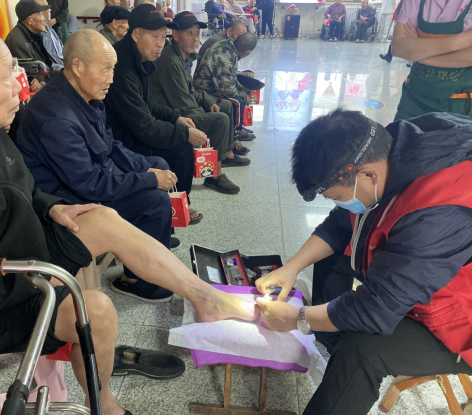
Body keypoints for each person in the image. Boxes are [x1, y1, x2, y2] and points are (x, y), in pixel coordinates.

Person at [0, 15, 260, 416]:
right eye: (5, 77)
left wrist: (51, 206)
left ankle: (205, 297)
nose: (19, 87)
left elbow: (22, 189)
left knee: (100, 218)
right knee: (96, 311)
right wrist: (35, 277)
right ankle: (105, 402)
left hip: (22, 251)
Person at [254, 109, 472, 415]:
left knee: (361, 352)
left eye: (336, 196)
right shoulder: (386, 149)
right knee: (335, 254)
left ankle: (339, 347)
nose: (338, 203)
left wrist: (297, 318)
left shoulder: (436, 213)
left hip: (459, 322)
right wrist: (291, 268)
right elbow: (341, 225)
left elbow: (377, 310)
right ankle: (331, 335)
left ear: (368, 175)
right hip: (424, 275)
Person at [18, 30, 182, 302]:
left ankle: (150, 243)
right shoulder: (57, 118)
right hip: (66, 200)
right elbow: (90, 184)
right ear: (77, 66)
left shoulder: (86, 95)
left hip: (92, 176)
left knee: (158, 163)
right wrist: (150, 180)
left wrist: (147, 169)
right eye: (105, 69)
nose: (111, 79)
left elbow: (110, 145)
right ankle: (139, 281)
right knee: (154, 200)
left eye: (113, 69)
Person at [105, 4, 207, 224]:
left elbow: (149, 103)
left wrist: (175, 117)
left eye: (163, 37)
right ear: (136, 34)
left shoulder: (139, 59)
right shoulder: (121, 66)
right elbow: (144, 126)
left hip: (132, 129)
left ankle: (175, 206)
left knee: (181, 143)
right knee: (180, 148)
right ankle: (171, 209)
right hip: (119, 141)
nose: (161, 44)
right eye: (154, 37)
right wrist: (183, 133)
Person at [151, 12, 251, 194]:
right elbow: (183, 104)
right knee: (220, 119)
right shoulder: (171, 61)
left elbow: (190, 91)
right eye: (189, 33)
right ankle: (214, 176)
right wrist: (207, 113)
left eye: (197, 34)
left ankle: (226, 153)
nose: (195, 39)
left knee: (225, 106)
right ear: (175, 35)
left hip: (181, 105)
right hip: (173, 115)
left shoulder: (182, 57)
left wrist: (209, 101)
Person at [391, 0, 472, 120]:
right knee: (401, 132)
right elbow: (398, 47)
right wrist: (456, 42)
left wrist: (422, 54)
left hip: (460, 102)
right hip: (414, 99)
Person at [193, 32, 258, 140]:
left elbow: (229, 76)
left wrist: (241, 86)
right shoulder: (225, 55)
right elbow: (226, 89)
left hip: (213, 85)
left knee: (240, 93)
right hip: (204, 91)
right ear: (247, 52)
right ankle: (235, 134)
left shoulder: (229, 46)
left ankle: (238, 126)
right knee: (238, 101)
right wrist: (245, 96)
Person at [5, 0, 61, 91]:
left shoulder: (34, 34)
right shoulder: (19, 42)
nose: (44, 19)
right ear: (30, 20)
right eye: (41, 15)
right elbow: (33, 75)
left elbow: (45, 66)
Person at [38, 0, 64, 68]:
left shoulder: (49, 28)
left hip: (64, 64)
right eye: (46, 8)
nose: (50, 10)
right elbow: (46, 65)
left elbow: (62, 50)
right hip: (56, 70)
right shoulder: (38, 34)